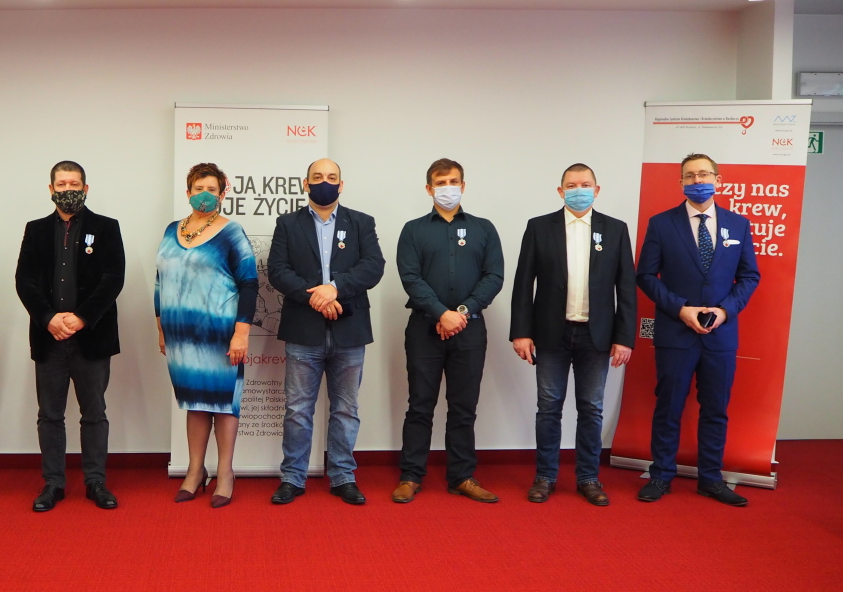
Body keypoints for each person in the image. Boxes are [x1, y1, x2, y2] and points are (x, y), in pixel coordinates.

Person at [636, 152, 760, 506]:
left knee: (716, 409)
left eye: (704, 174)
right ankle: (661, 476)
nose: (697, 181)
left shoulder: (739, 225)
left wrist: (725, 311)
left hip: (720, 334)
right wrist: (681, 309)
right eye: (690, 176)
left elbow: (749, 276)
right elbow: (645, 275)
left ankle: (710, 479)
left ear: (718, 180)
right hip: (676, 332)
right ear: (680, 182)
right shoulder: (662, 224)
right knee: (669, 406)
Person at [509, 164, 636, 505]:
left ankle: (588, 478)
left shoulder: (615, 229)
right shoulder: (539, 227)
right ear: (560, 190)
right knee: (548, 407)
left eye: (585, 184)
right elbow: (523, 283)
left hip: (597, 336)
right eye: (571, 185)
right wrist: (521, 332)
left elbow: (626, 288)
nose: (578, 190)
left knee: (591, 408)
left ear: (597, 190)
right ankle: (545, 477)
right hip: (551, 333)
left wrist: (624, 338)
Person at [267, 158, 385, 505]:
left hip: (350, 330)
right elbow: (278, 270)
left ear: (341, 184)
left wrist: (334, 288)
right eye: (317, 177)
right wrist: (316, 298)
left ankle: (343, 476)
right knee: (297, 410)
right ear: (306, 184)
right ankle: (293, 477)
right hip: (303, 330)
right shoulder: (287, 223)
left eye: (331, 177)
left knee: (346, 409)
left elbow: (373, 267)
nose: (325, 182)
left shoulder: (361, 222)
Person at [15, 161, 125, 512]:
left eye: (74, 183)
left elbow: (113, 278)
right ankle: (53, 483)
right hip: (49, 337)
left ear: (85, 188)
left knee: (94, 412)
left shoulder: (106, 227)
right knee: (50, 414)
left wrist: (81, 318)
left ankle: (95, 481)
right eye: (61, 184)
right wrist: (49, 318)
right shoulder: (35, 230)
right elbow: (24, 281)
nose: (68, 189)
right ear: (51, 190)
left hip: (91, 336)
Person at [394, 158, 504, 503]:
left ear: (463, 186)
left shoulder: (484, 229)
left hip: (469, 330)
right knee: (420, 405)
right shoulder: (413, 230)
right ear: (429, 189)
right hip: (424, 329)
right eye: (441, 183)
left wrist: (461, 313)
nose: (448, 188)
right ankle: (411, 476)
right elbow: (410, 277)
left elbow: (494, 276)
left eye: (453, 181)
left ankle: (462, 477)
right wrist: (441, 313)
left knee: (463, 407)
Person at [155, 162, 258, 508]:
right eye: (199, 188)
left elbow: (249, 283)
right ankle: (195, 470)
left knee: (223, 404)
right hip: (180, 337)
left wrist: (241, 333)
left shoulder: (231, 232)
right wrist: (161, 328)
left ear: (222, 194)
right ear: (188, 192)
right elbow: (160, 282)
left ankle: (225, 473)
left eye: (211, 189)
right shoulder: (171, 230)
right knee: (195, 403)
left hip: (220, 335)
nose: (204, 194)